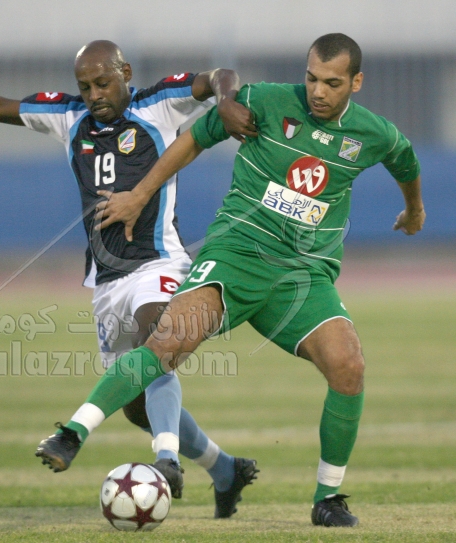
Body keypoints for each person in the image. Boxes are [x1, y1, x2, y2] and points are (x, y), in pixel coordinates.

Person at [35, 34, 425, 527]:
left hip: (302, 276)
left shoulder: (372, 133)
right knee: (167, 342)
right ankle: (72, 433)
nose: (317, 91)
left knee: (349, 366)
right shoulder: (263, 101)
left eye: (332, 83)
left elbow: (404, 158)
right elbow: (192, 140)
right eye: (311, 79)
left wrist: (414, 210)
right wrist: (139, 194)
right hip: (235, 257)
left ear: (356, 82)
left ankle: (328, 499)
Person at [0, 40, 260, 517]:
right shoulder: (70, 116)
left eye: (103, 83)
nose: (94, 94)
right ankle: (225, 469)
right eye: (85, 86)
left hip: (158, 262)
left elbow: (219, 75)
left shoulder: (158, 103)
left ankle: (166, 461)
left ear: (125, 74)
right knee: (136, 405)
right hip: (106, 281)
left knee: (156, 343)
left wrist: (226, 98)